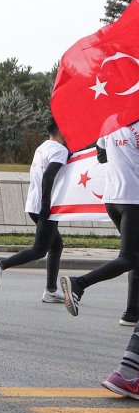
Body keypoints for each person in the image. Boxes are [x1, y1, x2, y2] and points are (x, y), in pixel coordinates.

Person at [61, 120, 139, 327]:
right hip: (133, 200)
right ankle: (79, 283)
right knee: (128, 259)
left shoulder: (109, 123)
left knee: (136, 256)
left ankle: (132, 314)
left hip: (112, 199)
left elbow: (101, 156)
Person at [0, 117, 68, 304]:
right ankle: (0, 265)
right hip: (46, 207)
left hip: (33, 204)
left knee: (56, 245)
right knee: (39, 250)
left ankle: (50, 291)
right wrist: (47, 204)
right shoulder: (60, 150)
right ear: (61, 129)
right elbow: (48, 176)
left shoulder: (43, 147)